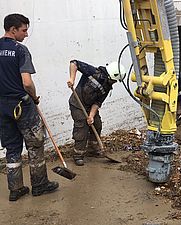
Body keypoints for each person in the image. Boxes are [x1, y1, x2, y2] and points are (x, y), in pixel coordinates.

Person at [0, 13, 59, 201]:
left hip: (2, 107)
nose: (26, 34)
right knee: (35, 144)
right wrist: (34, 96)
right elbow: (27, 82)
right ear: (13, 29)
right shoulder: (20, 50)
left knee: (11, 148)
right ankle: (40, 185)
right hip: (22, 105)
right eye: (24, 30)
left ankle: (15, 189)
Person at [67, 60, 125, 166]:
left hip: (90, 106)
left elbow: (98, 102)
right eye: (115, 80)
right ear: (111, 76)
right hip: (77, 104)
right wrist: (72, 79)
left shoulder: (107, 87)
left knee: (97, 124)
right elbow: (74, 63)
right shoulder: (93, 72)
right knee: (82, 127)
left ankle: (92, 149)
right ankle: (78, 154)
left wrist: (91, 116)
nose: (115, 82)